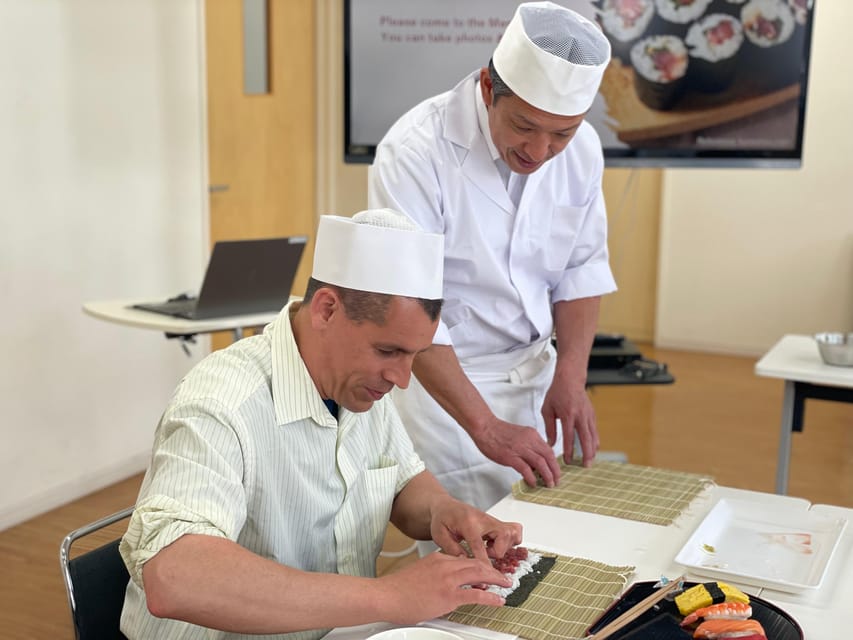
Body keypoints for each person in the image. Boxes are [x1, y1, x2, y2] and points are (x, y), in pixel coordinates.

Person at [118, 209, 522, 640]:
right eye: (388, 352)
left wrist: (445, 511)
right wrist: (389, 596)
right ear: (327, 310)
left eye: (414, 356)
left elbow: (403, 479)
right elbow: (174, 576)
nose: (402, 379)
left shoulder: (359, 385)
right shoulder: (221, 402)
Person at [368, 1, 616, 513]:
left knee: (552, 545)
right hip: (450, 389)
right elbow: (410, 307)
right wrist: (484, 425)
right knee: (472, 560)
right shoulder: (414, 152)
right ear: (487, 88)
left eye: (561, 134)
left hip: (536, 374)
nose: (540, 150)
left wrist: (571, 375)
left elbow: (581, 268)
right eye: (525, 126)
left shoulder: (584, 149)